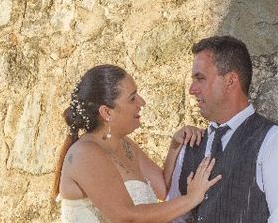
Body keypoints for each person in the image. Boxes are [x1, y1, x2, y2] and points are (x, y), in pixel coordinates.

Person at [53, 64, 222, 223]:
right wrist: (190, 199)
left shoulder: (126, 145)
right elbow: (126, 218)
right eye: (132, 98)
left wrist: (175, 145)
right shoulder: (85, 154)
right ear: (106, 112)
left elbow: (163, 189)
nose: (142, 103)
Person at [167, 35, 278, 223]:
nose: (192, 89)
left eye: (200, 78)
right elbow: (173, 217)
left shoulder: (276, 142)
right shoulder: (190, 145)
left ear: (231, 81)